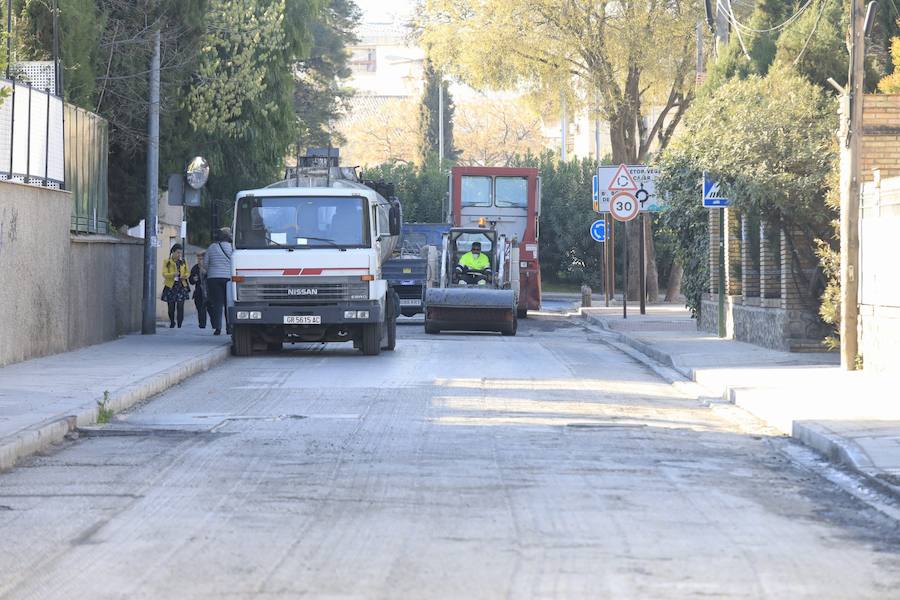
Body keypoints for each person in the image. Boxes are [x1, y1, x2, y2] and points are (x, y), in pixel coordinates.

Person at [206, 227, 233, 336]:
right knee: (228, 304)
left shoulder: (211, 247)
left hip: (213, 278)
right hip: (228, 278)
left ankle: (217, 328)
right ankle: (229, 328)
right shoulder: (232, 248)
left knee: (217, 304)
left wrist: (211, 270)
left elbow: (205, 264)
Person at [161, 244, 190, 328]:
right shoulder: (167, 261)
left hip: (181, 285)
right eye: (177, 252)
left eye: (180, 253)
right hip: (171, 286)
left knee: (180, 306)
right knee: (171, 307)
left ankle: (180, 324)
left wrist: (185, 275)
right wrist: (173, 274)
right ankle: (172, 321)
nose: (179, 255)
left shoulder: (183, 261)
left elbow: (188, 272)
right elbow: (164, 274)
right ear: (173, 252)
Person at [189, 250, 212, 329]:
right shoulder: (195, 268)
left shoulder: (209, 267)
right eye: (198, 258)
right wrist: (193, 279)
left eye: (201, 258)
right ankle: (202, 325)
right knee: (200, 309)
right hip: (199, 292)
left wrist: (205, 273)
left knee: (211, 309)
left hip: (209, 292)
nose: (199, 260)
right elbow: (191, 280)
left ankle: (215, 325)